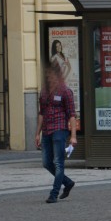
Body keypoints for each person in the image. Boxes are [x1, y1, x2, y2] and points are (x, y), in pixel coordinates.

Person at [34, 62, 76, 204]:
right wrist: (37, 133)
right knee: (47, 163)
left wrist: (73, 137)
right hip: (46, 130)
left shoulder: (66, 91)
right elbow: (41, 113)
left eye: (51, 74)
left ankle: (54, 194)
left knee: (58, 163)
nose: (48, 77)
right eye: (47, 74)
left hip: (60, 130)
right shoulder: (44, 91)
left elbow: (71, 115)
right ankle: (68, 182)